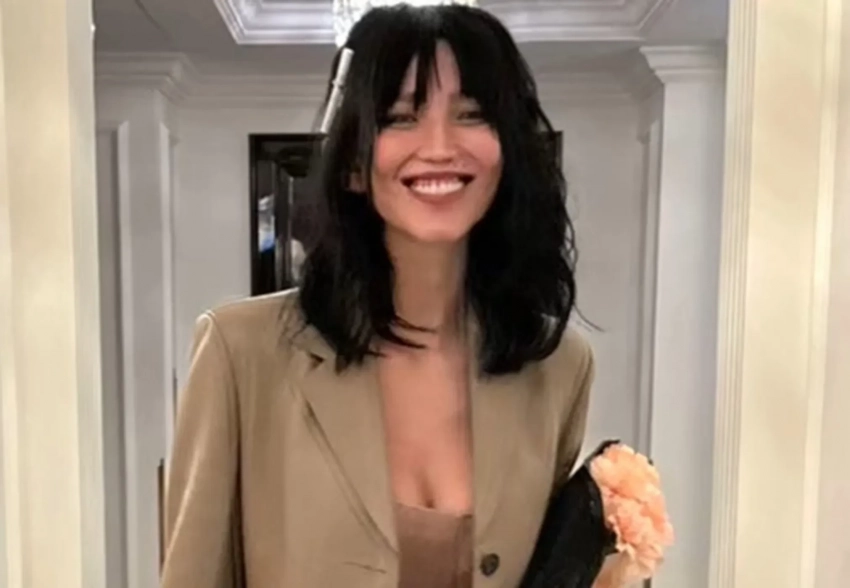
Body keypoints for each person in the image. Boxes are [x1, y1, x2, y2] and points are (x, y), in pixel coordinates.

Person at [161, 4, 595, 588]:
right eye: (399, 118)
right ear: (353, 163)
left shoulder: (558, 365)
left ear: (508, 151)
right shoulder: (240, 352)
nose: (439, 146)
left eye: (471, 114)